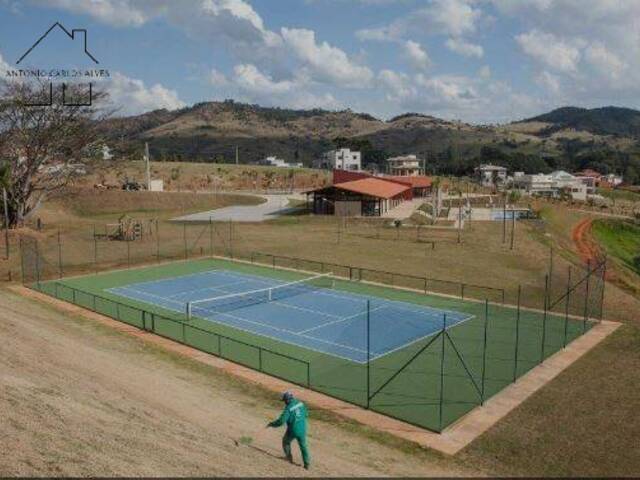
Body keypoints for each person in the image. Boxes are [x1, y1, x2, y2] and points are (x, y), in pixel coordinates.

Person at [267, 391, 310, 470]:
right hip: (303, 428)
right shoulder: (300, 403)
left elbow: (281, 421)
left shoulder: (288, 408)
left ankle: (289, 458)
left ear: (287, 400)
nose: (284, 402)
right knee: (303, 445)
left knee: (286, 441)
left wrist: (272, 424)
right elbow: (306, 414)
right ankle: (307, 464)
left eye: (284, 401)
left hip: (293, 429)